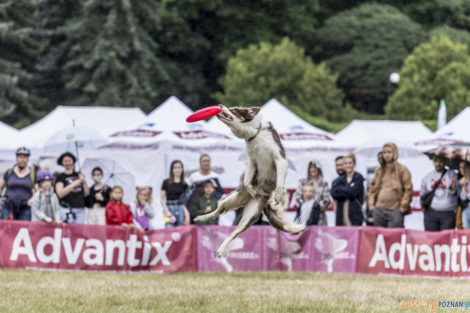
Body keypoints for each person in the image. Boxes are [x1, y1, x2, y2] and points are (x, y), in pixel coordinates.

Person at [368, 143, 413, 228]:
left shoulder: (402, 169)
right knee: (380, 237)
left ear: (395, 153)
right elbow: (372, 189)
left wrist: (402, 208)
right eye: (384, 152)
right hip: (379, 209)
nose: (386, 155)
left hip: (395, 210)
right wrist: (372, 205)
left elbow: (408, 189)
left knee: (394, 238)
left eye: (389, 152)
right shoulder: (379, 170)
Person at [420, 155, 458, 231]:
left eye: (440, 161)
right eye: (436, 161)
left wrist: (454, 188)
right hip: (431, 213)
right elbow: (423, 194)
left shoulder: (452, 175)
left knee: (446, 241)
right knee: (431, 239)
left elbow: (460, 194)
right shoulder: (427, 177)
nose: (438, 164)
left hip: (448, 213)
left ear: (445, 161)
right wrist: (424, 208)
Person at [0, 147, 36, 220]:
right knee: (6, 229)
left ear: (28, 159)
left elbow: (37, 190)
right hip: (8, 206)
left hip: (25, 207)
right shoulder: (9, 172)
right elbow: (1, 187)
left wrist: (32, 199)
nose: (22, 159)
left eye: (25, 157)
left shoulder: (32, 174)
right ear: (17, 158)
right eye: (20, 157)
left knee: (24, 229)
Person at [55, 152, 90, 224]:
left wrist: (83, 181)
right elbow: (60, 194)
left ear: (73, 161)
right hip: (66, 209)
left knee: (79, 232)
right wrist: (73, 184)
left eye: (70, 160)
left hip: (80, 209)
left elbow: (87, 193)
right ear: (62, 163)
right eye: (65, 161)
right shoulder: (60, 177)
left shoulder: (79, 175)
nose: (68, 163)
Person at [331, 153, 365, 226]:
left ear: (354, 164)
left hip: (355, 214)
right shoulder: (338, 180)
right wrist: (348, 189)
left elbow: (353, 193)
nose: (348, 165)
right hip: (341, 214)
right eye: (345, 163)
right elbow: (334, 193)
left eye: (350, 163)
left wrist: (341, 190)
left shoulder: (358, 177)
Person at [293, 160, 330, 225]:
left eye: (315, 167)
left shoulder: (324, 183)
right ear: (308, 169)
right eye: (311, 167)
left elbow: (326, 200)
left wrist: (315, 208)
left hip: (320, 218)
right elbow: (297, 199)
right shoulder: (302, 182)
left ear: (319, 169)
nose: (313, 169)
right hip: (304, 217)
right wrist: (306, 207)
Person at [161, 160, 190, 228]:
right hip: (169, 208)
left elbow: (185, 203)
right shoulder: (166, 182)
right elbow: (162, 199)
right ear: (172, 170)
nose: (177, 170)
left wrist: (187, 216)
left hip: (181, 209)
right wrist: (167, 211)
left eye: (179, 167)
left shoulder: (185, 185)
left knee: (181, 232)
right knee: (169, 231)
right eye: (175, 167)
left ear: (182, 169)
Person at [459, 161, 470, 229]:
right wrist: (463, 186)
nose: (462, 169)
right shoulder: (464, 180)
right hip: (467, 210)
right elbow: (463, 198)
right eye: (460, 167)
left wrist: (468, 194)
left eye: (464, 167)